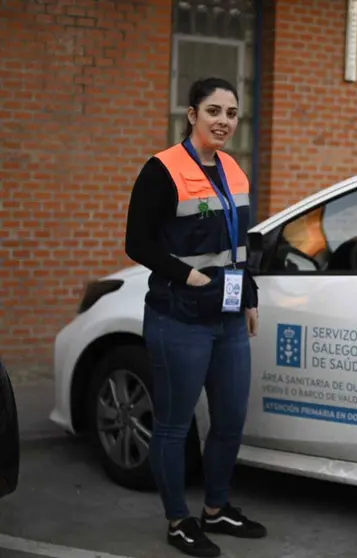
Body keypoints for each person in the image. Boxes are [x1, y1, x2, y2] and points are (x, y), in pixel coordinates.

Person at [125, 76, 265, 558]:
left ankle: (216, 508)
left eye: (231, 113)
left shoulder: (234, 171)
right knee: (173, 425)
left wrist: (249, 296)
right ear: (191, 115)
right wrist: (188, 277)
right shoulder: (161, 169)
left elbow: (240, 246)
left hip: (227, 320)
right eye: (213, 111)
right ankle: (178, 519)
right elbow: (138, 243)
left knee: (228, 421)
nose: (223, 121)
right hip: (178, 318)